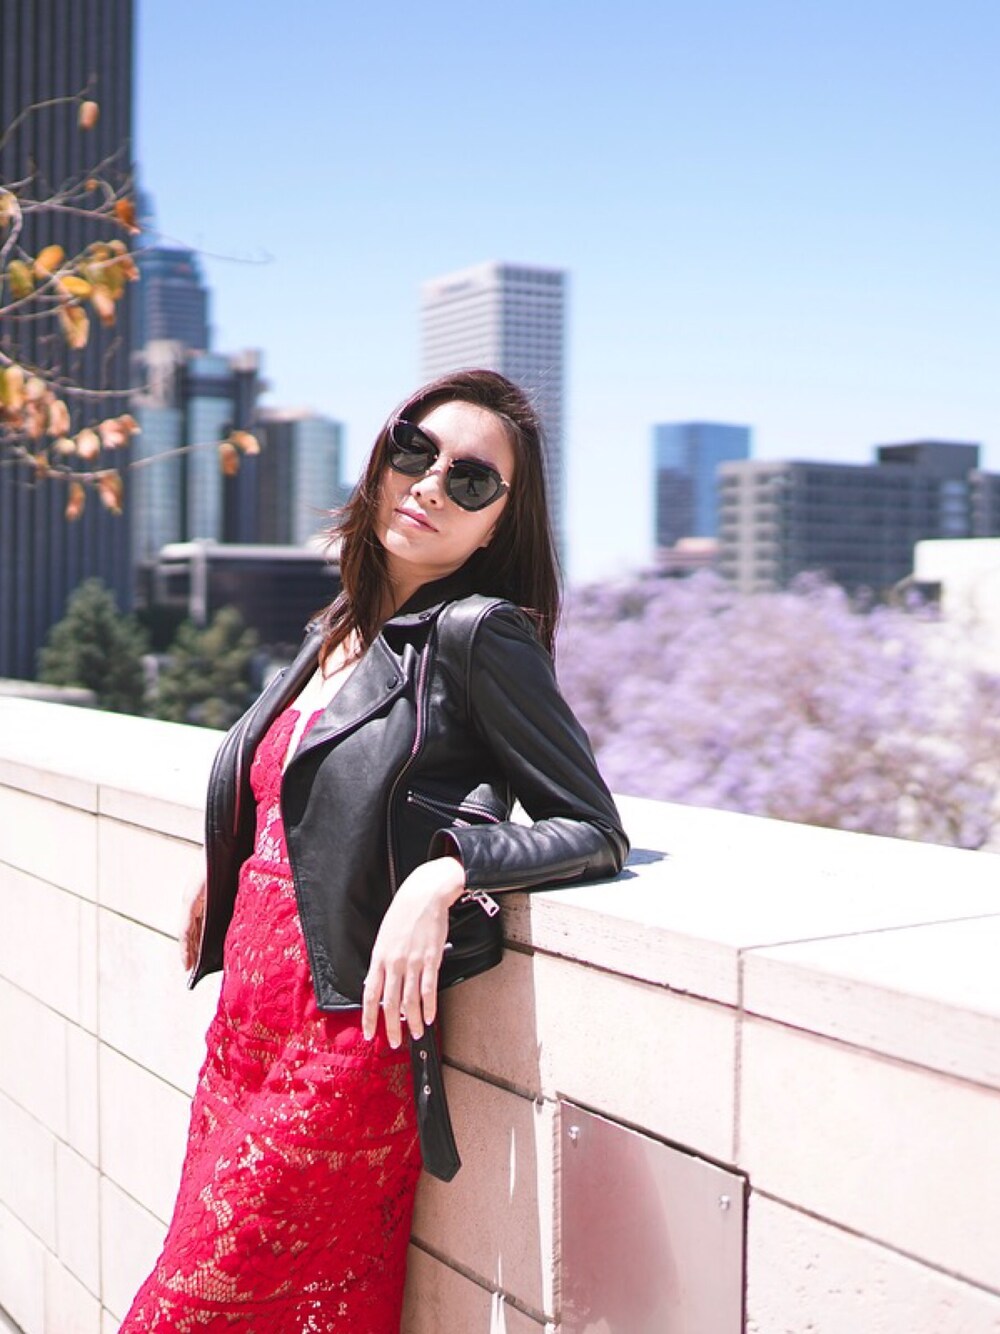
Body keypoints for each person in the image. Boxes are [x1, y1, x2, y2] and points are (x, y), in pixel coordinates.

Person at [120, 368, 629, 1333]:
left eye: (470, 480)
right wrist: (233, 862)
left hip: (344, 1045)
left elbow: (594, 829)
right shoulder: (340, 627)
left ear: (498, 525)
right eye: (414, 451)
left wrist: (446, 872)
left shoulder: (479, 636)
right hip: (244, 1032)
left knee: (181, 1315)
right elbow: (299, 786)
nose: (431, 483)